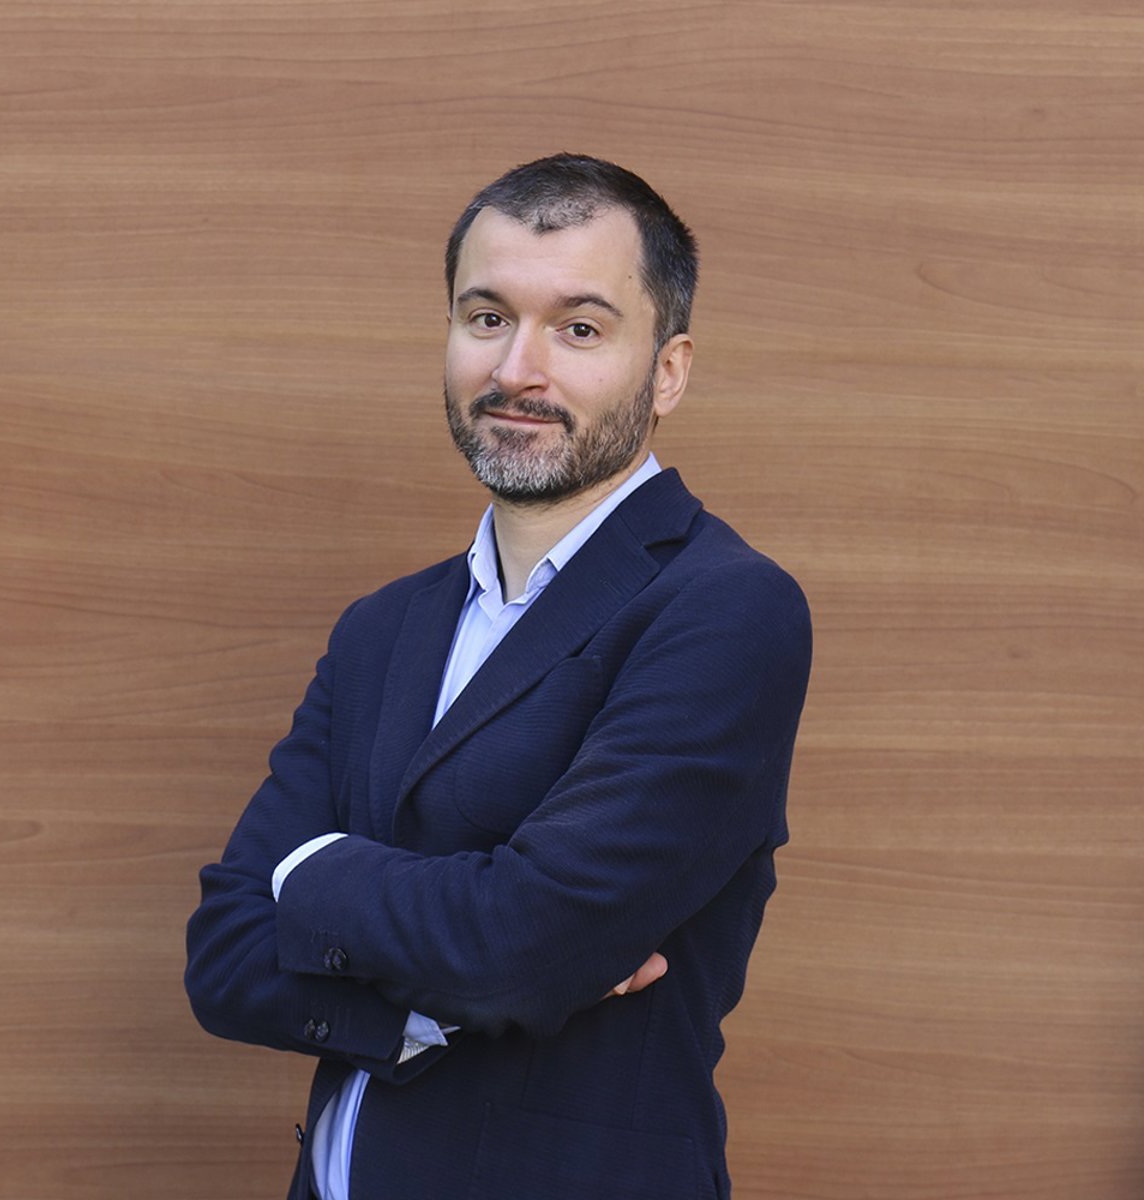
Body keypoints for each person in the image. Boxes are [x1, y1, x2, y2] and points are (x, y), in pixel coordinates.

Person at [185, 152, 812, 1200]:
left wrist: (314, 875)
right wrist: (434, 997)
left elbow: (526, 946)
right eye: (487, 318)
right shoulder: (382, 628)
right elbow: (224, 958)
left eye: (579, 329)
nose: (519, 369)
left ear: (668, 371)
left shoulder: (725, 610)